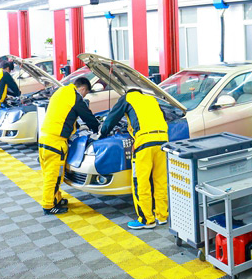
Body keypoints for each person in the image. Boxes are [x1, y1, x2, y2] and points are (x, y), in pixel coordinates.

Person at [99, 89, 169, 230]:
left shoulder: (127, 98)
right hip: (163, 140)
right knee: (160, 180)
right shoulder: (151, 99)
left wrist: (102, 134)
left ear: (128, 92)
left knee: (141, 181)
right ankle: (162, 216)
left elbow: (112, 118)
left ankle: (146, 219)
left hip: (144, 143)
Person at [38, 77, 100, 215]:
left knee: (50, 174)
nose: (84, 96)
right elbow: (88, 116)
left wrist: (77, 126)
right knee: (54, 176)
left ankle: (56, 199)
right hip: (56, 142)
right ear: (83, 89)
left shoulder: (61, 91)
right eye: (85, 93)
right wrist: (99, 130)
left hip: (44, 138)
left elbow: (64, 114)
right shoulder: (75, 97)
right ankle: (48, 206)